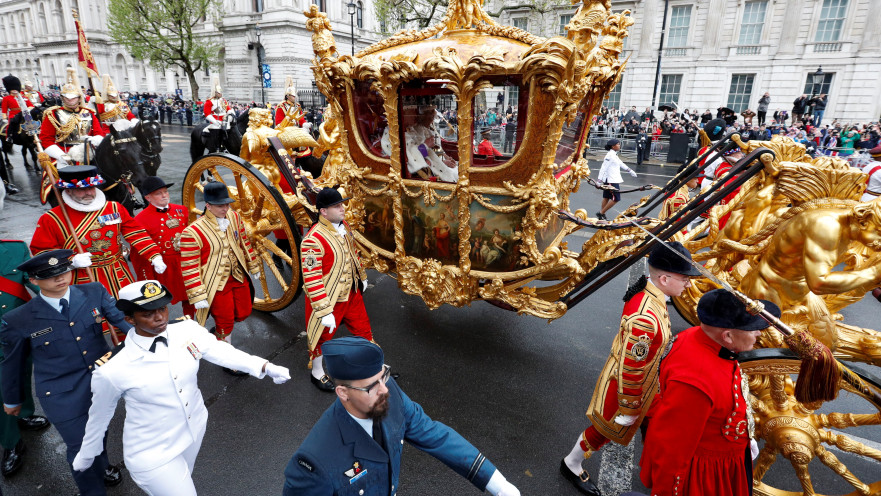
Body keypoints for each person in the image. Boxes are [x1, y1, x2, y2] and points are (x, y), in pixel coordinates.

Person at [72, 280, 290, 495]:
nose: (160, 318)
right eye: (147, 314)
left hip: (194, 430)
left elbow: (221, 351)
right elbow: (100, 415)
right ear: (129, 318)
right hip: (152, 452)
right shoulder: (112, 368)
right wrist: (88, 452)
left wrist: (264, 366)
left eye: (162, 309)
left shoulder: (186, 329)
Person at [282, 337, 520, 496]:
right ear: (343, 393)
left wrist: (499, 485)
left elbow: (434, 434)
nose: (385, 389)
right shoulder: (314, 462)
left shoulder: (387, 393)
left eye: (384, 375)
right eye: (372, 386)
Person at [560, 242, 700, 496]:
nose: (688, 283)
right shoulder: (647, 318)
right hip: (627, 388)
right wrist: (629, 406)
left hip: (645, 384)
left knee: (658, 425)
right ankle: (571, 463)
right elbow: (632, 368)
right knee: (604, 431)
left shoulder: (652, 296)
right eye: (684, 278)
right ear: (665, 279)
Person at [1, 249, 129, 494]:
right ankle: (92, 491)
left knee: (99, 431)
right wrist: (12, 399)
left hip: (101, 383)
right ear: (34, 280)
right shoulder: (19, 318)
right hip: (61, 392)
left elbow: (122, 321)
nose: (60, 278)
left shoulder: (93, 291)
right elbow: (12, 363)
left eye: (64, 271)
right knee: (80, 446)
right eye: (50, 275)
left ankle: (102, 467)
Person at [640, 289, 780, 496]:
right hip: (705, 475)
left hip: (726, 456)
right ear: (728, 336)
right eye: (752, 329)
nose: (759, 334)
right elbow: (672, 448)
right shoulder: (695, 382)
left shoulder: (698, 338)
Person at [30, 165, 166, 299]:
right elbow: (42, 252)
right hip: (82, 277)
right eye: (82, 189)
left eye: (91, 187)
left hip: (118, 272)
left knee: (128, 312)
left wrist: (154, 255)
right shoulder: (51, 218)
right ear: (68, 191)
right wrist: (70, 261)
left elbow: (136, 233)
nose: (89, 193)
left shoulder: (114, 208)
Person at [301, 188, 373, 391]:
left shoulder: (344, 226)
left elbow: (353, 253)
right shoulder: (312, 240)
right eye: (337, 206)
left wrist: (363, 278)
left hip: (351, 292)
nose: (343, 209)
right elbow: (312, 278)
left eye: (342, 204)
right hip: (329, 297)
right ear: (323, 211)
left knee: (364, 329)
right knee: (322, 337)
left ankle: (371, 367)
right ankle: (317, 372)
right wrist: (324, 311)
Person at [180, 181, 259, 348]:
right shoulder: (192, 232)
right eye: (220, 205)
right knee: (225, 319)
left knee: (244, 311)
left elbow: (243, 241)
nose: (225, 209)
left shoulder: (234, 216)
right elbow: (190, 266)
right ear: (208, 206)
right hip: (216, 283)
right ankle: (225, 351)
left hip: (237, 275)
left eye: (226, 204)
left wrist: (253, 264)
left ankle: (220, 329)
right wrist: (198, 295)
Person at [0, 240, 51, 477]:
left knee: (22, 371)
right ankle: (11, 443)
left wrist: (58, 298)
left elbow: (32, 280)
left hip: (19, 329)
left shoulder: (15, 248)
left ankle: (24, 414)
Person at [131, 176, 195, 318]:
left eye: (165, 191)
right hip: (162, 266)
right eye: (158, 193)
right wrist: (146, 275)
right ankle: (162, 325)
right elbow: (139, 250)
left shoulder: (182, 210)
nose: (164, 195)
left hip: (183, 262)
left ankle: (191, 322)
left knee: (190, 296)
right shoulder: (139, 220)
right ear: (148, 197)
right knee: (159, 300)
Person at [39, 68, 106, 168]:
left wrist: (94, 140)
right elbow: (46, 139)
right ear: (62, 98)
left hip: (88, 152)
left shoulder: (89, 113)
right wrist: (61, 156)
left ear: (79, 98)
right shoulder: (53, 114)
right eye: (67, 98)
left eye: (73, 97)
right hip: (64, 153)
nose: (70, 100)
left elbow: (99, 134)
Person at [596, 138, 637, 220]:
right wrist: (599, 180)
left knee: (607, 197)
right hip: (611, 180)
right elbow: (603, 168)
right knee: (616, 198)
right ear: (613, 146)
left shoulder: (614, 154)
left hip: (611, 179)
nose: (619, 145)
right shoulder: (610, 155)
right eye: (618, 144)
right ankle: (601, 213)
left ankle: (602, 215)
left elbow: (620, 163)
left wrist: (630, 171)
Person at [202, 77, 234, 153]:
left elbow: (228, 109)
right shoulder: (209, 102)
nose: (220, 94)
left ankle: (228, 145)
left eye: (220, 93)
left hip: (225, 119)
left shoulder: (223, 100)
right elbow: (207, 114)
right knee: (217, 128)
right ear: (215, 93)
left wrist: (231, 113)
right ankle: (217, 147)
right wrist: (215, 121)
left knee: (232, 128)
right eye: (219, 93)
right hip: (216, 120)